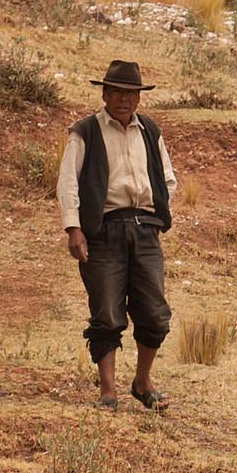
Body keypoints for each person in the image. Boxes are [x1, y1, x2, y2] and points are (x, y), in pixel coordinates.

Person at [58, 60, 176, 409]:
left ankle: (142, 382)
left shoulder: (150, 132)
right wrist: (74, 227)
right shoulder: (85, 131)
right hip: (103, 231)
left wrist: (159, 209)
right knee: (107, 312)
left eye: (131, 93)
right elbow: (67, 182)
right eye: (118, 92)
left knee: (154, 312)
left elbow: (167, 177)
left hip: (145, 230)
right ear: (105, 94)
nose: (124, 100)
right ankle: (107, 391)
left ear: (138, 98)